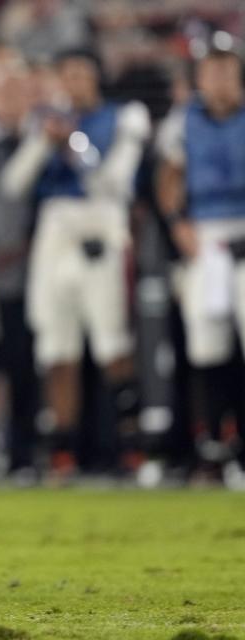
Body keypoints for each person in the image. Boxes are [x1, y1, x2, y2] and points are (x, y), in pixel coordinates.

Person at [1, 48, 150, 477]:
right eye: (67, 74)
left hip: (101, 227)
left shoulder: (125, 116)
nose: (75, 82)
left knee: (112, 343)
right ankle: (62, 448)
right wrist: (43, 141)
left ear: (97, 77)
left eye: (82, 73)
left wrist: (73, 144)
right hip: (54, 231)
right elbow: (14, 183)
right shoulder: (46, 119)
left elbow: (114, 183)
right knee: (56, 347)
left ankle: (131, 445)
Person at [155, 42, 245, 480]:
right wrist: (178, 224)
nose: (219, 80)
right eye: (212, 71)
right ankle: (212, 445)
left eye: (227, 70)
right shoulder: (183, 119)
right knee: (206, 347)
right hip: (206, 238)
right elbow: (169, 178)